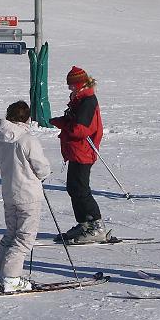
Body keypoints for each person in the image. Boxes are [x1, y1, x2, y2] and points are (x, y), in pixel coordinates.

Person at [0, 101, 51, 293]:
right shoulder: (27, 139)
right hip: (28, 195)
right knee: (24, 238)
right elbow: (41, 167)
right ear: (27, 118)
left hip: (9, 193)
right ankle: (11, 277)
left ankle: (2, 272)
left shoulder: (0, 138)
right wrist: (42, 175)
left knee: (11, 233)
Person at [49, 66, 111, 244]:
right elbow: (74, 122)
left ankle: (96, 226)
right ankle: (84, 224)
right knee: (73, 188)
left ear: (79, 84)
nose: (70, 89)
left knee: (81, 189)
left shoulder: (88, 101)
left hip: (84, 150)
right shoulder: (80, 99)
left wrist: (64, 125)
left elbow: (81, 130)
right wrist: (59, 121)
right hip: (78, 151)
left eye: (71, 85)